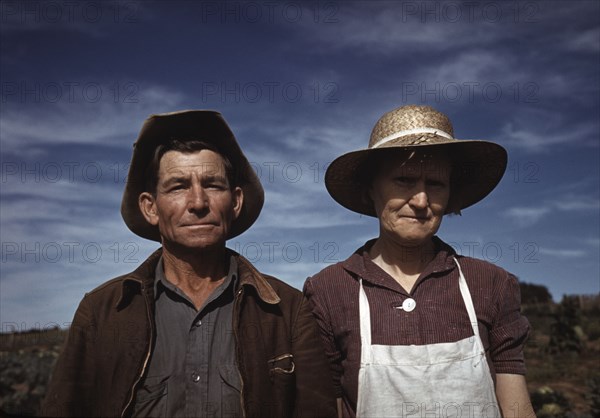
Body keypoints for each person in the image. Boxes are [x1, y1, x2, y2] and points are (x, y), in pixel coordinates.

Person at [42, 110, 337, 418]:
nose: (198, 203)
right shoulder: (101, 312)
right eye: (178, 186)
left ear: (235, 202)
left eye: (212, 185)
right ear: (150, 207)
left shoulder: (288, 311)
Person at [304, 105, 536, 418]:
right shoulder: (329, 289)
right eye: (404, 180)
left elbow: (517, 409)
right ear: (371, 189)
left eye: (436, 184)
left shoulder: (491, 283)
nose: (421, 201)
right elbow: (328, 404)